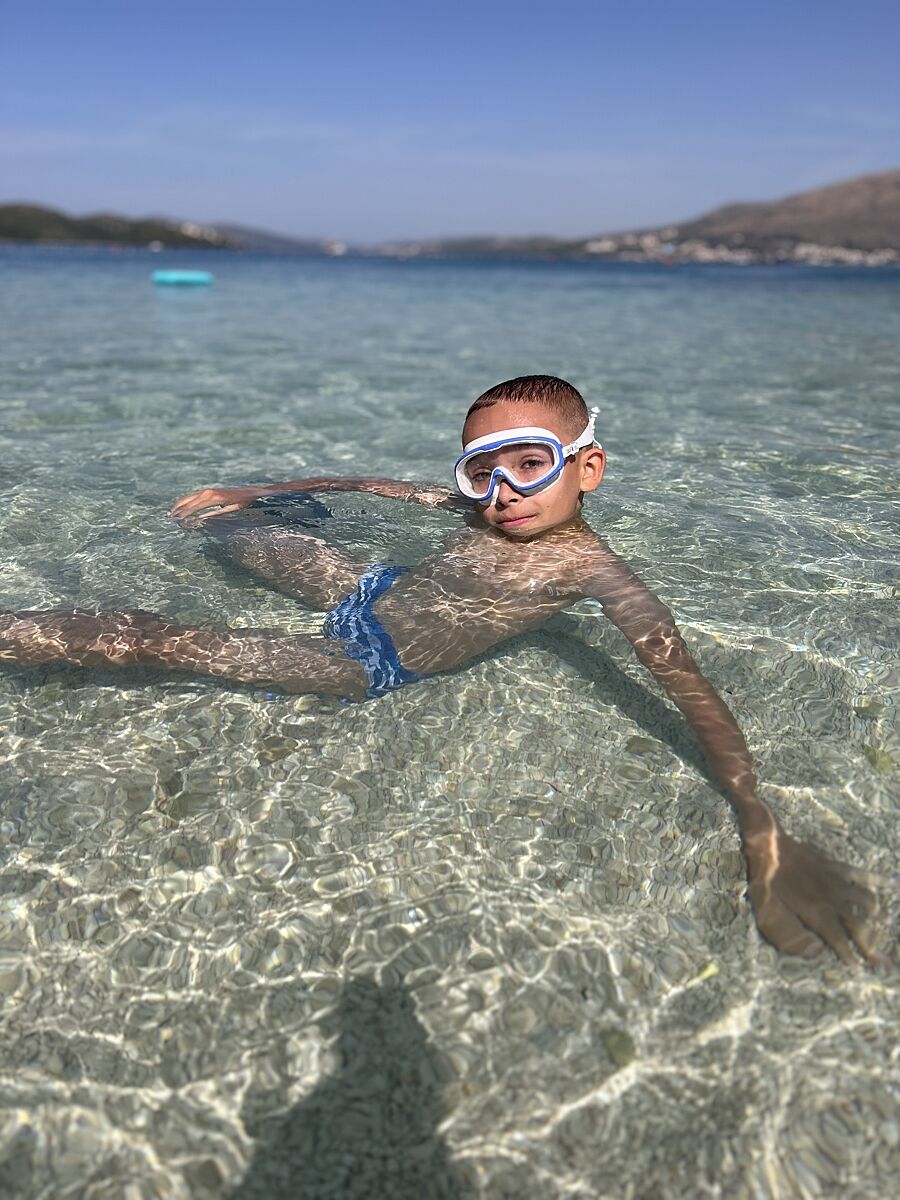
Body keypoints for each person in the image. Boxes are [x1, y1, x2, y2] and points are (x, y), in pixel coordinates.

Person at [0, 376, 887, 965]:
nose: (503, 493)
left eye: (531, 465)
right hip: (370, 589)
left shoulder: (596, 574)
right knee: (232, 527)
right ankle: (253, 519)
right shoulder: (479, 513)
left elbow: (688, 687)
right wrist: (257, 490)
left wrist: (761, 826)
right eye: (480, 472)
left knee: (158, 638)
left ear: (588, 467)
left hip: (365, 657)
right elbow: (378, 487)